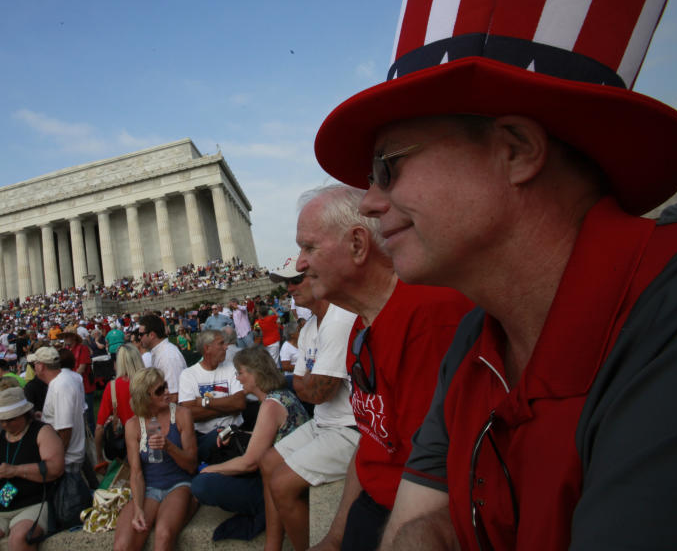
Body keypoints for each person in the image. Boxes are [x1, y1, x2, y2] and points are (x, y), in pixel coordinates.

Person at [311, 0, 677, 548]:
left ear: (516, 149)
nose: (371, 204)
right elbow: (418, 516)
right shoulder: (479, 335)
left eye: (388, 166)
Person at [291, 186, 472, 551]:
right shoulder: (362, 325)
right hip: (374, 508)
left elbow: (437, 473)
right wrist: (336, 537)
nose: (298, 264)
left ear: (358, 245)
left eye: (309, 247)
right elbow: (372, 442)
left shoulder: (430, 317)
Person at [259, 258, 359, 551]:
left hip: (351, 429)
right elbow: (304, 386)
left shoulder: (340, 319)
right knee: (267, 462)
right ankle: (273, 545)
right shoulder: (310, 327)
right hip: (324, 422)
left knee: (281, 483)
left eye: (296, 280)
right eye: (286, 283)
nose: (290, 288)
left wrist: (309, 385)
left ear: (318, 276)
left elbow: (319, 392)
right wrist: (310, 385)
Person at [192, 347, 309, 540]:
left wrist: (211, 469)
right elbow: (272, 434)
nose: (237, 377)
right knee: (218, 435)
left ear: (255, 373)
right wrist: (235, 432)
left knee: (201, 485)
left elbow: (250, 463)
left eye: (240, 372)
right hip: (289, 474)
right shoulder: (282, 395)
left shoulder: (270, 406)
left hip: (278, 485)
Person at [0, 387, 64, 551]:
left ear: (24, 415)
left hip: (32, 502)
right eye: (2, 420)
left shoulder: (42, 432)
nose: (4, 424)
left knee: (20, 539)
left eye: (10, 419)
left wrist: (16, 470)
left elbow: (55, 468)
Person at [113, 368, 197, 551]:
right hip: (150, 488)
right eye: (160, 390)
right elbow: (136, 472)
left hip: (178, 483)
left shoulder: (182, 415)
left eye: (165, 386)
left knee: (163, 535)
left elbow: (191, 466)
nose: (167, 392)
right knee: (122, 545)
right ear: (146, 396)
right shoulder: (133, 425)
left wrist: (169, 447)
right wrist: (138, 509)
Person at [177, 330, 246, 463]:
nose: (226, 347)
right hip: (205, 438)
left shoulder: (231, 368)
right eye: (221, 344)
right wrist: (229, 407)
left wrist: (204, 402)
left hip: (235, 433)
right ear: (207, 348)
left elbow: (240, 404)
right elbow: (190, 414)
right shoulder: (188, 375)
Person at [30, 347, 85, 473]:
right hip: (64, 458)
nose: (34, 368)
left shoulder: (61, 386)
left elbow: (65, 429)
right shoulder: (59, 382)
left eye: (35, 364)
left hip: (65, 462)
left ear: (41, 366)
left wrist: (56, 460)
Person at [94, 344, 143, 466]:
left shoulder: (113, 387)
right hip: (151, 438)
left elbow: (99, 427)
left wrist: (99, 458)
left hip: (126, 445)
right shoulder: (148, 382)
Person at [138, 314, 185, 403]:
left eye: (141, 334)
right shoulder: (158, 352)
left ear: (152, 335)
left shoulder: (168, 356)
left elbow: (175, 396)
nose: (139, 337)